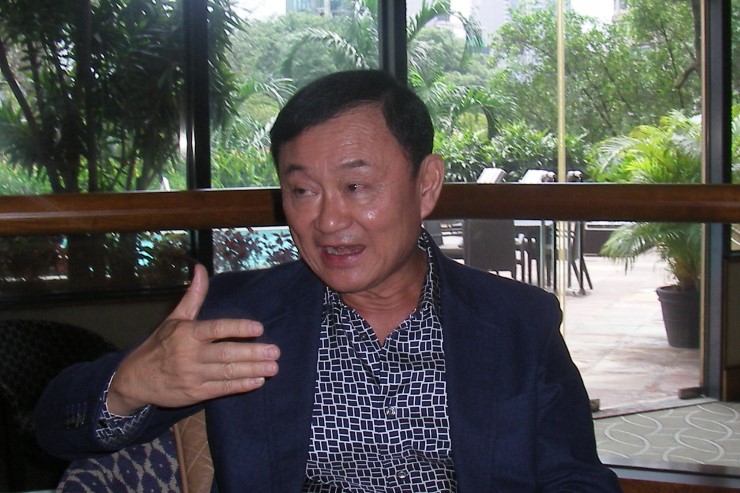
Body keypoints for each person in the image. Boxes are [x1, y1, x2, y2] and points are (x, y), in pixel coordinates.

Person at [35, 69, 621, 492]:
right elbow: (53, 428)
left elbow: (577, 477)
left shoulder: (518, 321)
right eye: (302, 191)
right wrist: (130, 385)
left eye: (356, 186)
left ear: (426, 185)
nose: (328, 221)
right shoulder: (236, 319)